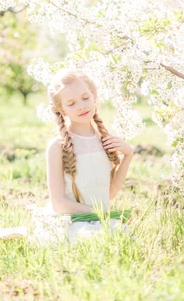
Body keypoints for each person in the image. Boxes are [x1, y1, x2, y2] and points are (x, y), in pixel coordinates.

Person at [38, 68, 134, 243]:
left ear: (94, 95)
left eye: (85, 98)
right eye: (71, 103)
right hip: (73, 220)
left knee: (121, 237)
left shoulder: (105, 141)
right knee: (92, 240)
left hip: (101, 218)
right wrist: (95, 213)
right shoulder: (58, 147)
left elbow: (109, 194)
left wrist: (128, 156)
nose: (81, 106)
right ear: (61, 110)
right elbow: (58, 203)